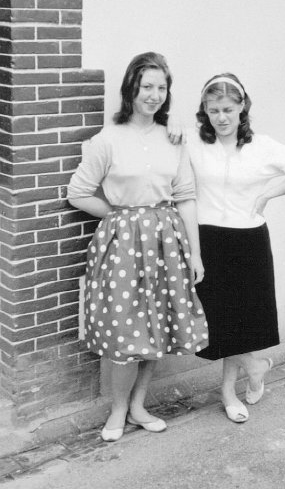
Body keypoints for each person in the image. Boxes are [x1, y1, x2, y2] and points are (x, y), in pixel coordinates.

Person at [67, 52, 208, 441]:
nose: (155, 95)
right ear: (131, 88)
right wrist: (118, 214)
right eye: (147, 86)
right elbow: (78, 192)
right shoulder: (107, 140)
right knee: (124, 331)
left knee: (157, 328)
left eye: (162, 88)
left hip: (167, 242)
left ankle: (137, 406)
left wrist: (194, 254)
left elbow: (186, 196)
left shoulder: (173, 138)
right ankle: (116, 411)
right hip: (124, 245)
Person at [186, 73, 285, 423]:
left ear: (242, 107)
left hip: (248, 241)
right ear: (204, 111)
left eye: (228, 109)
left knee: (240, 320)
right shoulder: (193, 143)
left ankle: (228, 393)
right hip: (209, 240)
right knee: (216, 319)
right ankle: (256, 366)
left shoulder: (263, 146)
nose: (221, 117)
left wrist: (266, 194)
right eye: (213, 110)